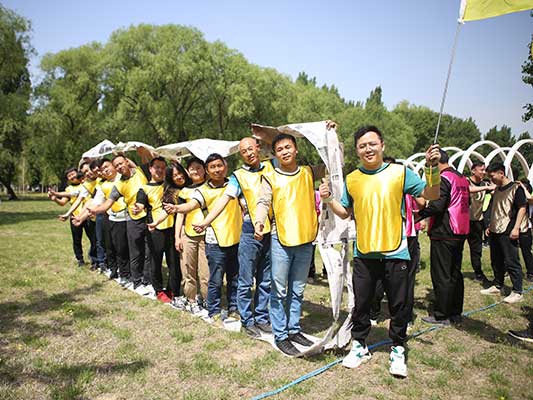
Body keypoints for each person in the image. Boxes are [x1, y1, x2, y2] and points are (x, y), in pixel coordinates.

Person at [319, 125, 441, 378]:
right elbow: (344, 212)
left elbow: (430, 195)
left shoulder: (400, 172)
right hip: (364, 253)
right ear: (357, 151)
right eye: (362, 146)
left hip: (396, 252)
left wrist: (432, 168)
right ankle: (359, 345)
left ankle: (397, 347)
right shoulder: (352, 179)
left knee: (399, 305)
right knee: (361, 304)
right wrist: (329, 197)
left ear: (382, 145)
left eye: (372, 144)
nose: (368, 149)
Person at [192, 137, 273, 338]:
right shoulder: (238, 176)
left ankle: (262, 318)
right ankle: (247, 320)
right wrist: (205, 221)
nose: (249, 153)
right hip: (249, 230)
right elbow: (224, 200)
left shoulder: (271, 168)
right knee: (245, 280)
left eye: (251, 149)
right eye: (244, 151)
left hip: (271, 231)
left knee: (265, 279)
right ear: (240, 155)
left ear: (258, 148)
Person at [255, 133, 324, 356]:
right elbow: (263, 202)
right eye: (280, 149)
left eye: (288, 147)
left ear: (296, 150)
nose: (284, 152)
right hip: (281, 239)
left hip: (305, 239)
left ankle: (294, 329)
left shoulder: (308, 172)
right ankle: (281, 334)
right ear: (275, 154)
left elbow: (335, 160)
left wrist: (329, 135)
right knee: (280, 290)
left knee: (298, 289)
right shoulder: (270, 176)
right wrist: (258, 221)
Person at [171, 154, 242, 323]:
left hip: (236, 238)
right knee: (214, 279)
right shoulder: (202, 190)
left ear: (225, 166)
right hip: (214, 240)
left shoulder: (235, 183)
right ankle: (213, 310)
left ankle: (234, 307)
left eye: (219, 165)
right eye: (212, 167)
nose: (217, 170)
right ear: (208, 171)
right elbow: (192, 204)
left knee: (234, 278)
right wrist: (177, 208)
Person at [88, 149, 154, 295]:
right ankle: (137, 281)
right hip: (133, 219)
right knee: (136, 251)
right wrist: (95, 210)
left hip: (149, 216)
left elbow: (147, 161)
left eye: (120, 163)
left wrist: (141, 151)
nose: (119, 167)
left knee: (149, 251)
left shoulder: (140, 172)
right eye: (116, 165)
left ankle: (148, 280)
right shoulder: (119, 184)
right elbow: (108, 203)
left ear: (126, 161)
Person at [418, 149, 470, 326]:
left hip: (445, 231)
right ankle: (455, 312)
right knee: (455, 272)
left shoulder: (444, 177)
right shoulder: (461, 177)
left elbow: (438, 205)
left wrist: (418, 214)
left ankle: (442, 315)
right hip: (460, 230)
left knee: (442, 274)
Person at [135, 157, 185, 303]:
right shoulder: (144, 188)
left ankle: (173, 289)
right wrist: (138, 208)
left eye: (163, 167)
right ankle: (158, 289)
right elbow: (140, 203)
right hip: (155, 229)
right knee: (155, 261)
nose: (160, 170)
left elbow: (183, 177)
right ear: (150, 169)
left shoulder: (170, 185)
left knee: (174, 262)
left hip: (173, 227)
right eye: (157, 167)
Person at [164, 157, 209, 315]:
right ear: (188, 171)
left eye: (199, 167)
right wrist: (177, 237)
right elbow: (180, 216)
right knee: (188, 270)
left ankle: (206, 299)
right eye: (192, 169)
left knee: (205, 272)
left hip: (207, 235)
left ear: (204, 169)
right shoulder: (184, 191)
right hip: (188, 234)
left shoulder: (211, 187)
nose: (195, 171)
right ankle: (192, 300)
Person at [480, 162, 527, 303]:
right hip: (495, 229)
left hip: (508, 229)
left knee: (512, 261)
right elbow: (495, 208)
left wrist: (516, 227)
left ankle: (517, 291)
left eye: (492, 176)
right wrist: (489, 225)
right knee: (496, 260)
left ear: (501, 173)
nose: (491, 180)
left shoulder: (516, 188)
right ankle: (497, 284)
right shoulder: (498, 190)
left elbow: (522, 208)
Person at [48, 167, 88, 267]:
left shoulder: (86, 183)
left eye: (73, 174)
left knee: (94, 238)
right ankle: (80, 259)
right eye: (69, 176)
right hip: (74, 216)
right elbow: (62, 203)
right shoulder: (68, 189)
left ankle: (96, 259)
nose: (71, 177)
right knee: (76, 239)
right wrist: (55, 199)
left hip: (87, 216)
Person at [466, 162, 494, 285]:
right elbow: (468, 189)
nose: (483, 172)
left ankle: (478, 273)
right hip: (464, 221)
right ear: (473, 171)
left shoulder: (485, 184)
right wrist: (487, 188)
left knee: (476, 249)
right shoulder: (466, 181)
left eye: (484, 170)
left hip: (477, 221)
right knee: (457, 248)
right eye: (481, 170)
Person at [518, 180, 533, 282]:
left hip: (525, 228)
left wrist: (523, 187)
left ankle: (531, 272)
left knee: (526, 252)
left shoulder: (529, 199)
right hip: (515, 228)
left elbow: (529, 198)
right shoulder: (517, 198)